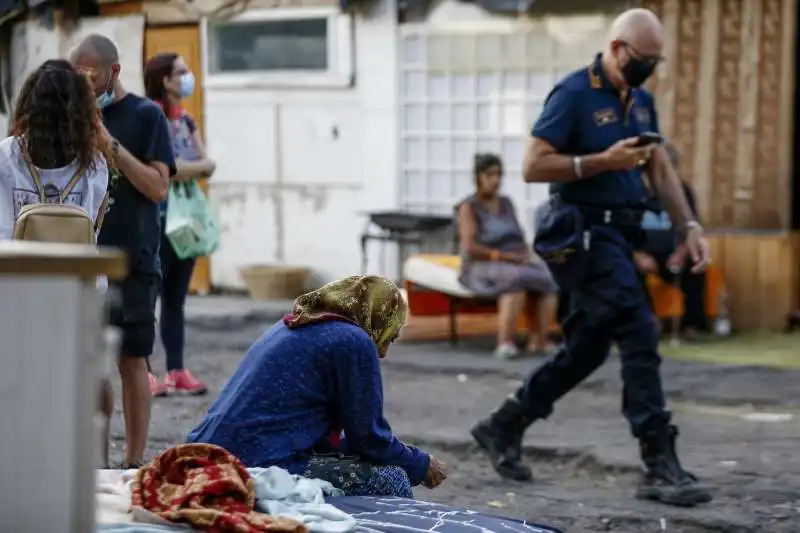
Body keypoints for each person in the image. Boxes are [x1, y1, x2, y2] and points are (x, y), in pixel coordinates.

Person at [470, 9, 713, 507]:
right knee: (640, 329)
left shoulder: (641, 101)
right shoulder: (574, 93)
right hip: (581, 234)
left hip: (619, 236)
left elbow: (660, 170)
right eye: (645, 60)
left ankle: (504, 424)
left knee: (589, 348)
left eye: (657, 62)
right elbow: (534, 165)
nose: (650, 69)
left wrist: (688, 226)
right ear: (619, 48)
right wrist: (601, 161)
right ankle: (658, 462)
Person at [187, 275, 448, 497]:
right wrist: (418, 463)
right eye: (390, 337)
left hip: (210, 450)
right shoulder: (353, 341)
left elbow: (333, 439)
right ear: (377, 319)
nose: (383, 354)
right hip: (252, 462)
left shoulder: (301, 324)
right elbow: (368, 439)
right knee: (392, 481)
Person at [70, 34, 177, 469]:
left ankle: (134, 463)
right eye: (78, 74)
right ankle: (97, 467)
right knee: (91, 364)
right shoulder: (69, 115)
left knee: (133, 359)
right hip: (81, 261)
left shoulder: (146, 115)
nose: (85, 83)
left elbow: (157, 186)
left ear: (114, 72)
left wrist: (107, 143)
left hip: (133, 256)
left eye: (91, 75)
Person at [144, 52, 217, 397]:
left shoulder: (186, 120)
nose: (188, 78)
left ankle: (176, 369)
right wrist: (190, 167)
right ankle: (143, 371)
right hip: (157, 218)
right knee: (148, 297)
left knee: (176, 299)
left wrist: (186, 167)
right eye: (181, 72)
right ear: (163, 79)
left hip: (186, 222)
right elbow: (165, 168)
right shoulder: (150, 117)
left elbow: (208, 164)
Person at [458, 153, 559, 359]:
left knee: (549, 278)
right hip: (483, 263)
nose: (495, 180)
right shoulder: (469, 207)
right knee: (515, 279)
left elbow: (519, 235)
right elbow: (470, 248)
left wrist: (525, 254)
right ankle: (505, 341)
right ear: (478, 177)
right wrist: (504, 256)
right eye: (490, 175)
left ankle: (539, 339)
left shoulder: (506, 203)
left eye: (499, 175)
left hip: (513, 259)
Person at [0, 59, 109, 238]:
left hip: (19, 265)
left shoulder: (7, 155)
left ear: (29, 105)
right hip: (74, 266)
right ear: (82, 111)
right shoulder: (94, 164)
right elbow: (91, 235)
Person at [635, 143, 707, 341]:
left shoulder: (684, 192)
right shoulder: (635, 191)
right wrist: (638, 254)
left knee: (697, 265)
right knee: (628, 268)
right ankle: (648, 321)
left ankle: (690, 325)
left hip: (674, 255)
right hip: (643, 255)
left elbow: (692, 226)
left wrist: (682, 253)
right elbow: (623, 229)